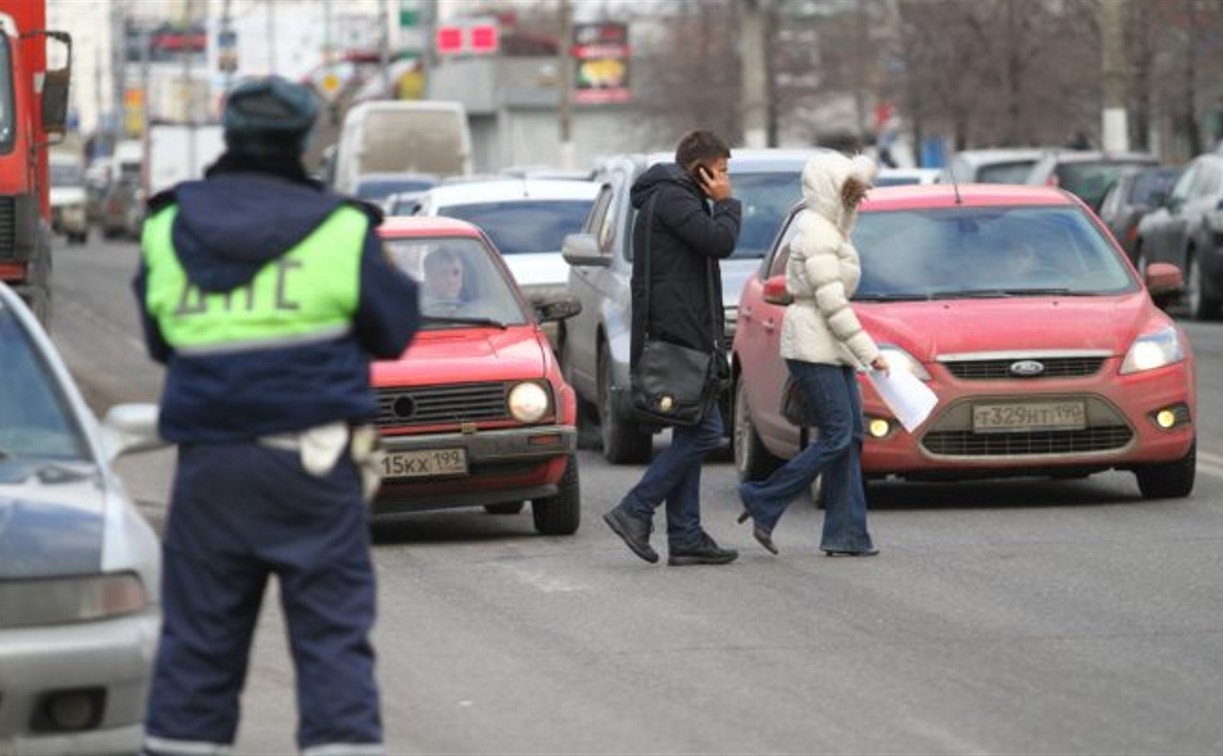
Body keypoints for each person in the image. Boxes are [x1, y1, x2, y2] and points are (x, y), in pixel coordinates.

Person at [133, 76, 420, 756]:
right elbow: (395, 330)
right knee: (331, 646)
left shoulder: (168, 223)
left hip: (209, 471)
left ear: (227, 135)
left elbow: (159, 340)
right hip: (313, 469)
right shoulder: (343, 228)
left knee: (197, 646)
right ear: (304, 143)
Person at [737, 152, 889, 557]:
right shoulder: (817, 233)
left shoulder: (831, 231)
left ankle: (847, 534)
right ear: (829, 191)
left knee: (850, 436)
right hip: (813, 345)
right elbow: (833, 305)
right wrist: (869, 353)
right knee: (839, 435)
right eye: (849, 192)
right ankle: (763, 497)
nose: (856, 200)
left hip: (828, 347)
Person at [602, 130, 742, 566]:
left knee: (690, 428)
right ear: (698, 168)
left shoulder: (669, 198)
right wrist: (726, 203)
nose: (723, 179)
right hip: (684, 335)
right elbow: (720, 242)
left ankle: (685, 535)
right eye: (719, 171)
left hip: (684, 330)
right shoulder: (675, 200)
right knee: (705, 432)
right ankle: (636, 508)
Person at [420, 246, 471, 316]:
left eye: (456, 273)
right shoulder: (418, 310)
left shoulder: (475, 311)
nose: (451, 280)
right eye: (443, 273)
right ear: (429, 277)